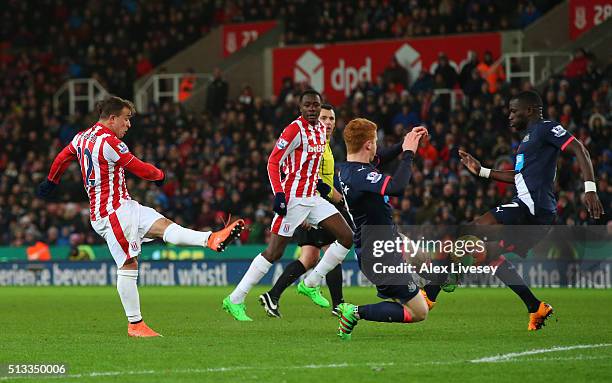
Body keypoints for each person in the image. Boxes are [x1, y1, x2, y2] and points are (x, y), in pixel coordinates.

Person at [36, 96, 245, 337]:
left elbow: (63, 157)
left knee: (165, 227)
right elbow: (138, 167)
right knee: (128, 263)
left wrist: (51, 181)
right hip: (111, 212)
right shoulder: (111, 143)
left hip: (125, 206)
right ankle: (135, 325)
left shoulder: (81, 137)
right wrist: (160, 175)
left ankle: (210, 239)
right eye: (126, 119)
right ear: (112, 119)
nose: (128, 124)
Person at [421, 90, 604, 331]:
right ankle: (536, 307)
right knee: (490, 255)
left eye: (513, 111)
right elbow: (520, 177)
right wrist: (482, 171)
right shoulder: (527, 140)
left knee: (470, 230)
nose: (509, 116)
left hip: (531, 207)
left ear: (529, 110)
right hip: (535, 213)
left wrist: (590, 189)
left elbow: (581, 150)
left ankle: (431, 293)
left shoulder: (545, 128)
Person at [222, 90, 354, 321]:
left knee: (346, 237)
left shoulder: (321, 131)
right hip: (293, 199)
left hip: (312, 197)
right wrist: (279, 195)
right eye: (308, 105)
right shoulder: (294, 129)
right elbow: (273, 161)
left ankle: (311, 283)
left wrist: (321, 187)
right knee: (274, 252)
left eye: (316, 105)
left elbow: (311, 168)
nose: (312, 109)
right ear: (300, 107)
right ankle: (235, 299)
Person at [335, 118, 429, 340]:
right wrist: (408, 154)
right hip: (380, 255)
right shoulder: (361, 176)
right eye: (375, 141)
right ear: (368, 144)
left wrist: (407, 140)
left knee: (423, 257)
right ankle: (354, 312)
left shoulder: (347, 169)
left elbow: (381, 157)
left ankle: (420, 289)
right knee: (419, 312)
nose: (377, 146)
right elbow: (397, 187)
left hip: (383, 242)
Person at [258, 103, 349, 318]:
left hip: (316, 204)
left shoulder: (325, 144)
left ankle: (274, 295)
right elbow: (308, 180)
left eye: (331, 119)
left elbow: (319, 180)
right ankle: (337, 303)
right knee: (333, 250)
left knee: (309, 258)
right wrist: (308, 211)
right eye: (324, 118)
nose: (328, 122)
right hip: (311, 205)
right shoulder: (312, 143)